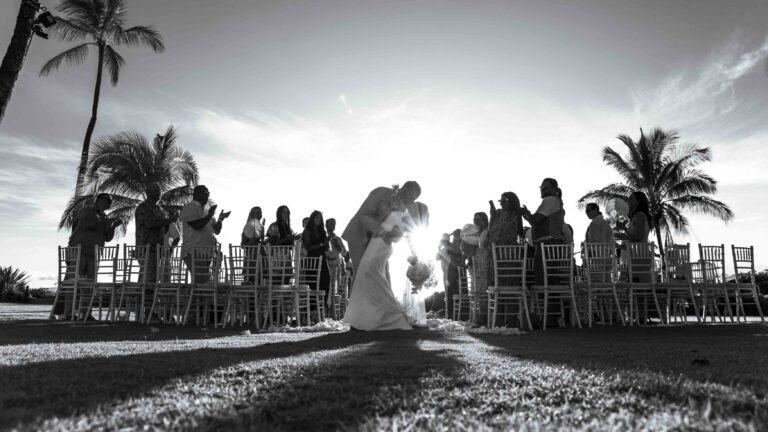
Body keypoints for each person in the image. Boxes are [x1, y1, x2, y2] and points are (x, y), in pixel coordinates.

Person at [343, 207, 414, 331]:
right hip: (375, 260)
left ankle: (368, 319)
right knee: (375, 286)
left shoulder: (392, 224)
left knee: (376, 286)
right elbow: (394, 235)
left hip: (377, 259)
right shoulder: (393, 225)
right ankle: (364, 319)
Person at [55, 193, 121, 319]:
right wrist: (106, 222)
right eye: (108, 201)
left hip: (94, 254)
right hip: (78, 252)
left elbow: (107, 238)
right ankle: (67, 313)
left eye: (110, 202)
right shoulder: (86, 211)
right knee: (72, 283)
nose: (110, 204)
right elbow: (88, 225)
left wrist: (113, 226)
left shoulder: (103, 216)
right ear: (100, 201)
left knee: (89, 286)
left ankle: (85, 314)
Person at [342, 181, 421, 277]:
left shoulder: (402, 209)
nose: (411, 202)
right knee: (362, 275)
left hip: (378, 244)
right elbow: (363, 215)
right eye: (411, 198)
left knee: (384, 276)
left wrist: (414, 254)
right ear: (404, 190)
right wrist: (382, 231)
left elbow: (406, 231)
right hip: (359, 235)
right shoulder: (380, 192)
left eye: (414, 200)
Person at [522, 178, 567, 286]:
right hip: (551, 245)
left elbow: (536, 220)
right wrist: (528, 216)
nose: (542, 190)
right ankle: (552, 302)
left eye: (545, 187)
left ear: (554, 189)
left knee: (543, 281)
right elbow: (536, 222)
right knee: (551, 280)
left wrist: (527, 214)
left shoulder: (550, 200)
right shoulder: (555, 200)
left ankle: (546, 303)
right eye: (541, 187)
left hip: (547, 245)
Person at [180, 185, 229, 283]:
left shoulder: (206, 210)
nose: (207, 196)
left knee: (203, 282)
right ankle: (192, 298)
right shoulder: (190, 207)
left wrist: (220, 219)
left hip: (207, 252)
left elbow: (216, 230)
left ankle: (195, 298)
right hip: (194, 251)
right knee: (201, 282)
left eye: (208, 194)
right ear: (197, 194)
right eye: (205, 193)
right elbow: (196, 225)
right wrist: (210, 214)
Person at [135, 183, 177, 283]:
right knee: (147, 276)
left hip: (158, 248)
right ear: (147, 193)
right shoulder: (143, 207)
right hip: (146, 247)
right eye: (155, 191)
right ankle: (144, 297)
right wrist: (167, 221)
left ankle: (150, 297)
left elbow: (164, 230)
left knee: (153, 277)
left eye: (159, 191)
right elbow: (149, 224)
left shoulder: (159, 209)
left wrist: (170, 220)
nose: (158, 194)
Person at [302, 210, 331, 308]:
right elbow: (308, 247)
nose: (318, 220)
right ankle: (313, 308)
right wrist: (322, 243)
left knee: (326, 281)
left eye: (320, 218)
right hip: (312, 260)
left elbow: (326, 248)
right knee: (313, 283)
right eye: (316, 217)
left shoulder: (322, 232)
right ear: (312, 218)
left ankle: (323, 307)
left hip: (322, 260)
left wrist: (326, 242)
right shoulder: (307, 231)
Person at [325, 218, 350, 300]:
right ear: (326, 225)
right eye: (330, 223)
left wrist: (338, 246)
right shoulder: (323, 237)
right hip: (326, 266)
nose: (332, 225)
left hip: (336, 267)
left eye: (334, 223)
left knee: (334, 291)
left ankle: (332, 310)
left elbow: (344, 253)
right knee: (326, 289)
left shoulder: (338, 239)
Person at [241, 206, 265, 283]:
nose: (260, 215)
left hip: (260, 256)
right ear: (252, 214)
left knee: (260, 280)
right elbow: (243, 245)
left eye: (260, 213)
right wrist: (251, 241)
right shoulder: (248, 227)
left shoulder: (260, 226)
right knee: (250, 281)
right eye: (258, 213)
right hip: (251, 257)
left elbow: (261, 241)